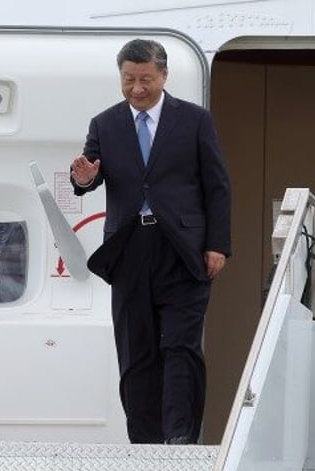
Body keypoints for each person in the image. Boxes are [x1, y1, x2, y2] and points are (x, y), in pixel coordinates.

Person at [71, 38, 231, 445]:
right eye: (128, 79)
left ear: (163, 75)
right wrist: (84, 178)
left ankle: (179, 438)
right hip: (129, 250)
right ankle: (143, 443)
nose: (136, 88)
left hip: (184, 249)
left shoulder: (194, 120)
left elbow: (217, 186)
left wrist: (217, 244)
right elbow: (88, 175)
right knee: (136, 350)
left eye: (145, 79)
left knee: (181, 347)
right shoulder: (104, 124)